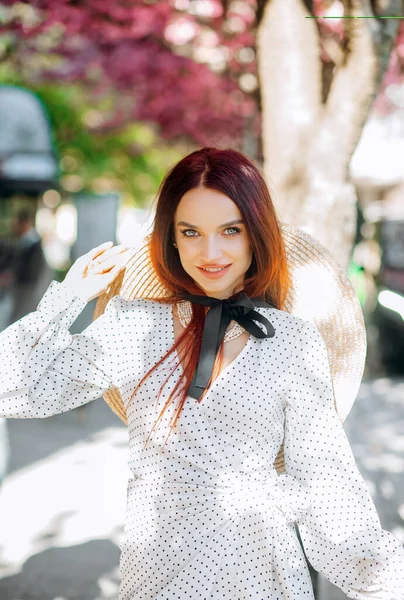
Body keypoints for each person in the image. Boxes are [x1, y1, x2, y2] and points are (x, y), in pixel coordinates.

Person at [0, 147, 403, 600]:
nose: (210, 252)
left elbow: (330, 488)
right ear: (171, 239)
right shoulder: (134, 325)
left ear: (256, 235)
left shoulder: (293, 342)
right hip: (157, 574)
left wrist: (384, 581)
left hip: (265, 574)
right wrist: (67, 298)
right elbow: (15, 388)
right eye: (191, 232)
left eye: (230, 230)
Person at [8, 208, 50, 324]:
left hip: (28, 284)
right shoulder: (27, 240)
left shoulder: (32, 241)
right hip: (24, 284)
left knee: (22, 314)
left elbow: (33, 267)